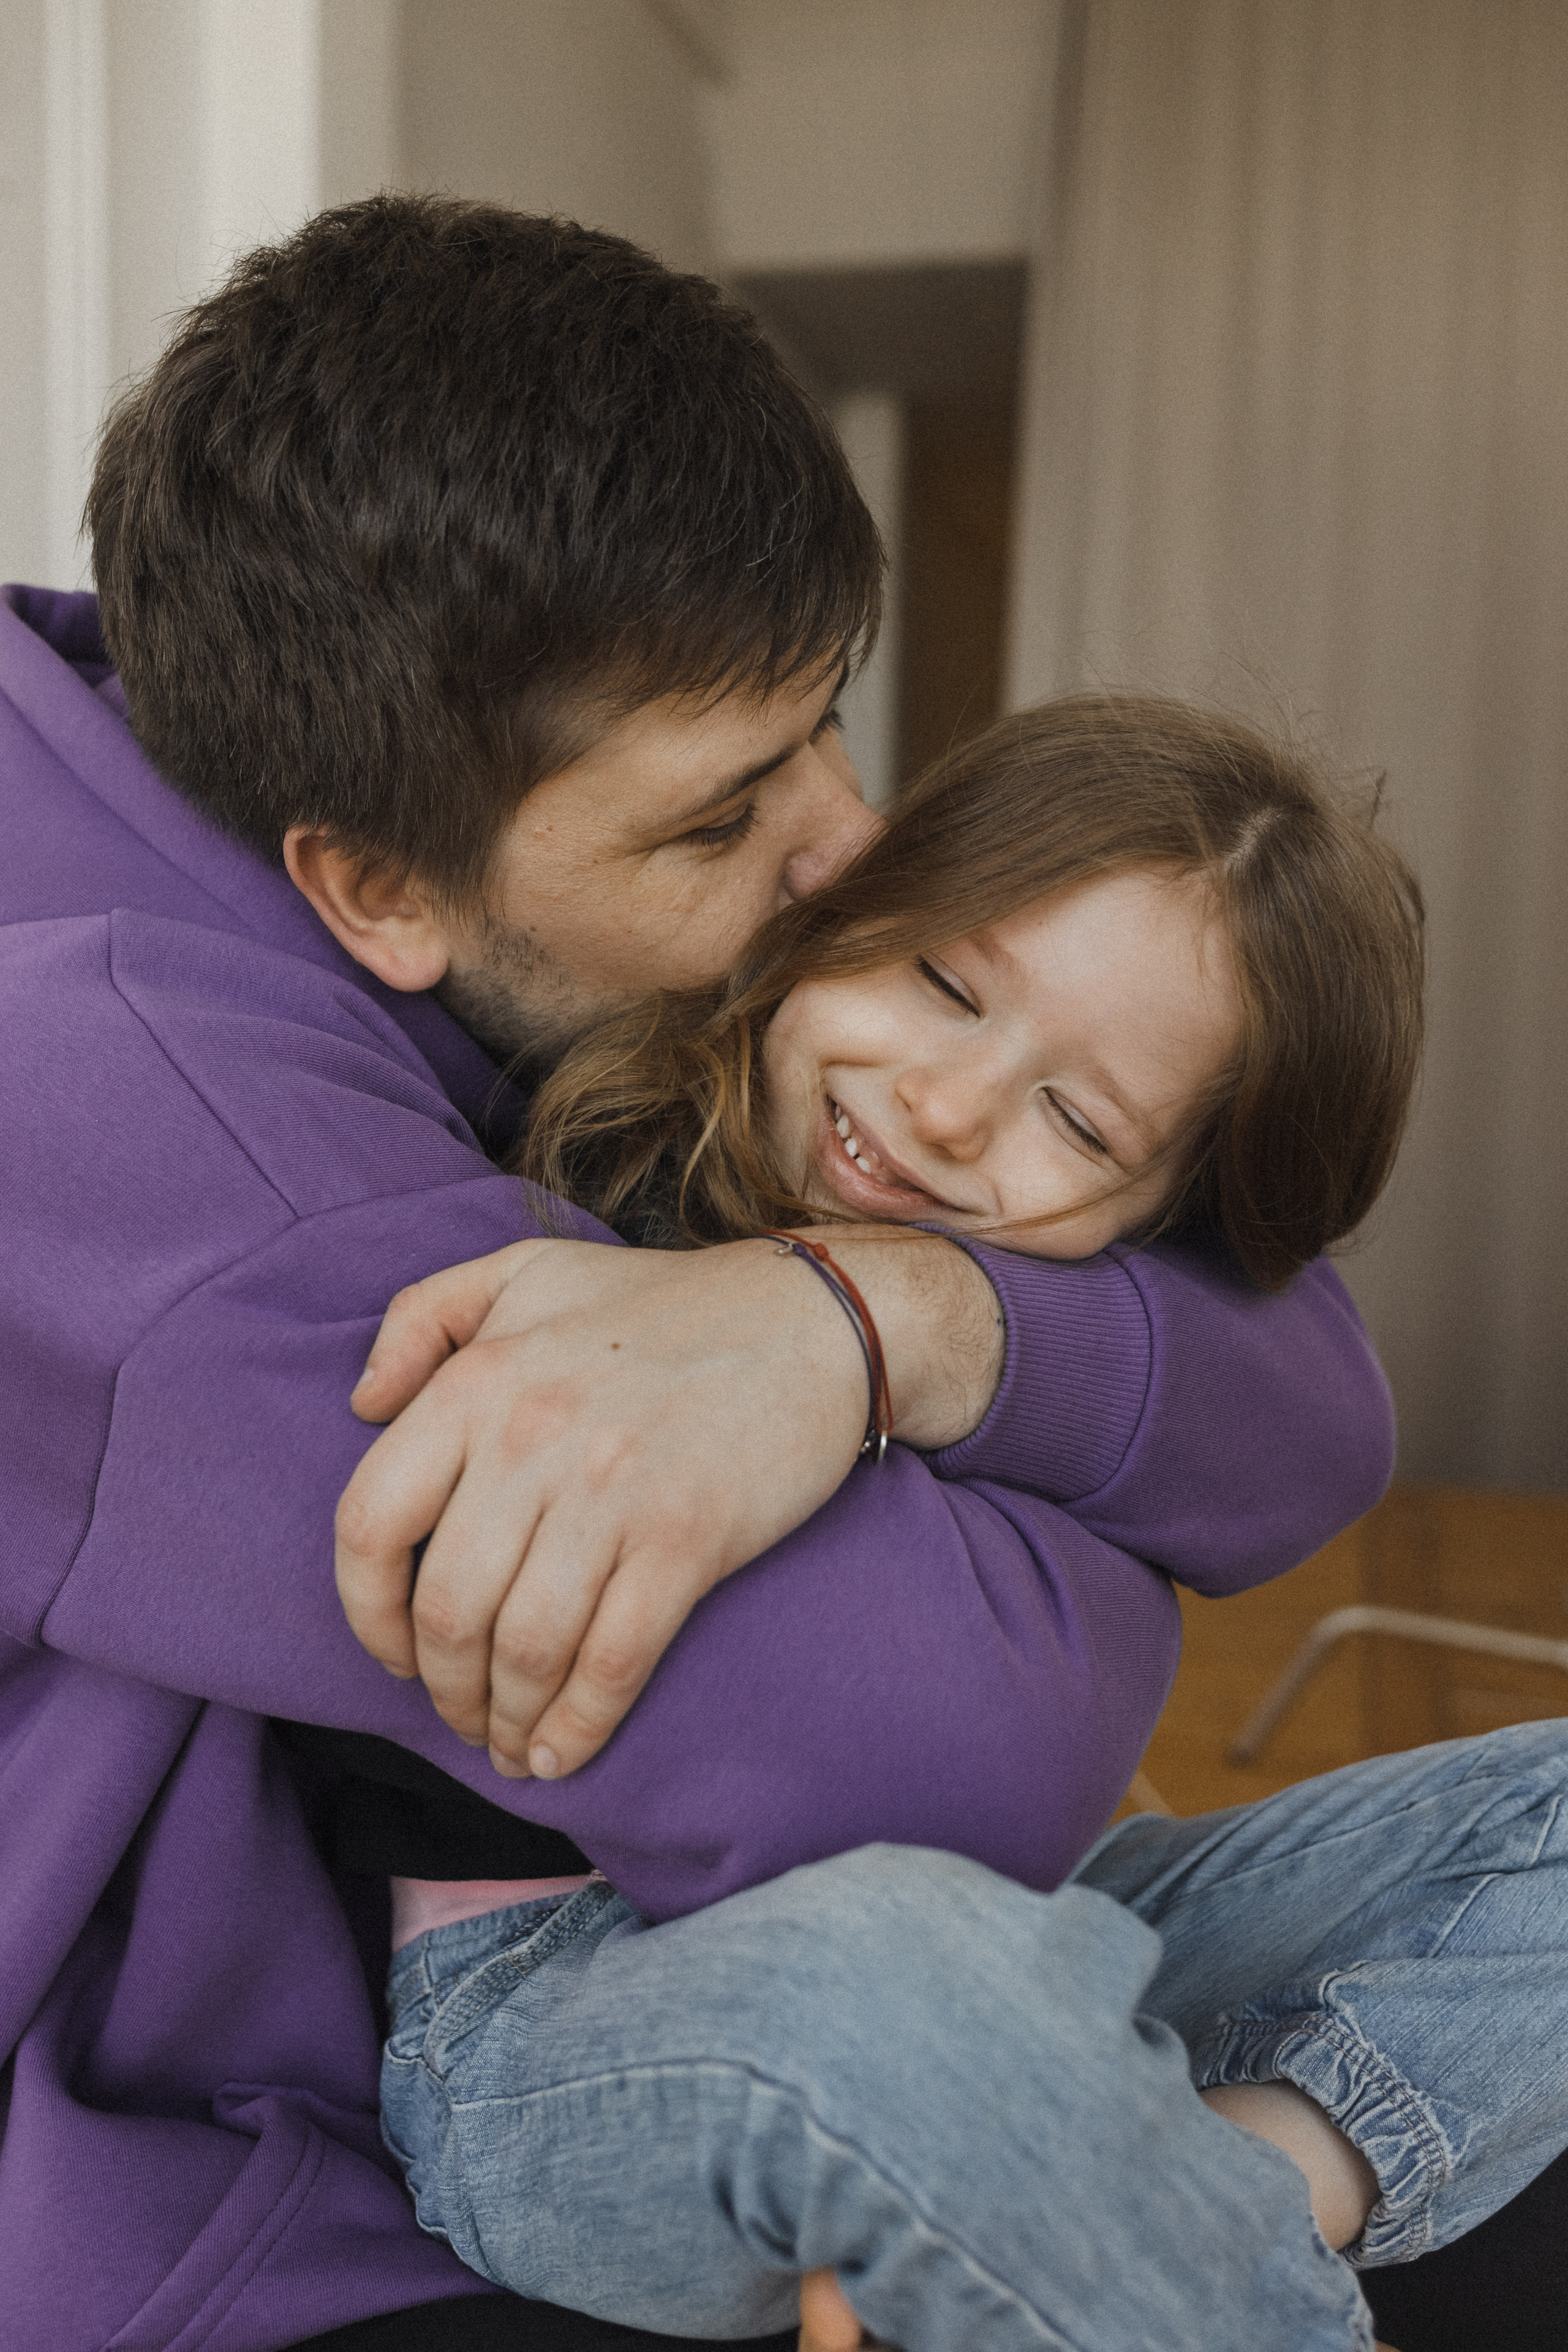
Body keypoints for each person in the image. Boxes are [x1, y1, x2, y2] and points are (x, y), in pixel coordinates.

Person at [0, 190, 1519, 2352]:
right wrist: (1057, 1459)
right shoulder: (145, 1138)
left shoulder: (346, 777)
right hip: (307, 2159)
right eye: (723, 818)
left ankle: (1242, 2185)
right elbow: (951, 1758)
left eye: (828, 722)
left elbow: (1308, 1387)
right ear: (377, 891)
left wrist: (880, 1323)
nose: (847, 850)